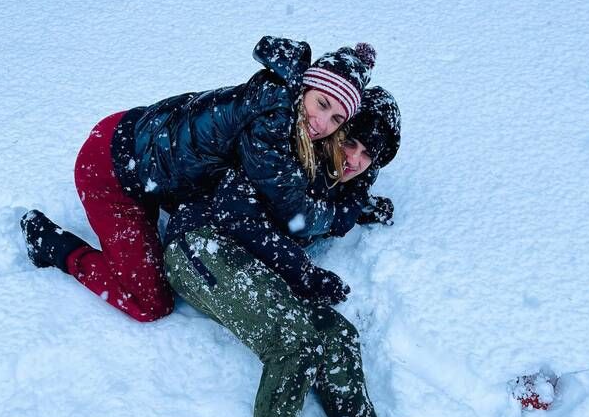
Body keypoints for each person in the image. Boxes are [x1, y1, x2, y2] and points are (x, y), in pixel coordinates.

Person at [163, 88, 484, 417]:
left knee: (336, 335)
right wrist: (306, 272)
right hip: (200, 245)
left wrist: (361, 208)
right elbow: (242, 216)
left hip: (254, 267)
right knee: (292, 339)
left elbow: (322, 212)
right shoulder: (286, 150)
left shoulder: (333, 189)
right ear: (333, 130)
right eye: (350, 143)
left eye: (368, 155)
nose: (355, 160)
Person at [19, 36, 376, 322]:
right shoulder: (271, 122)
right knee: (149, 303)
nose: (322, 123)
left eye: (337, 119)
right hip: (109, 170)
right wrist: (338, 219)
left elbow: (294, 184)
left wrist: (357, 198)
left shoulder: (283, 105)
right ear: (306, 88)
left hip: (138, 141)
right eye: (322, 104)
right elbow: (292, 210)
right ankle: (55, 248)